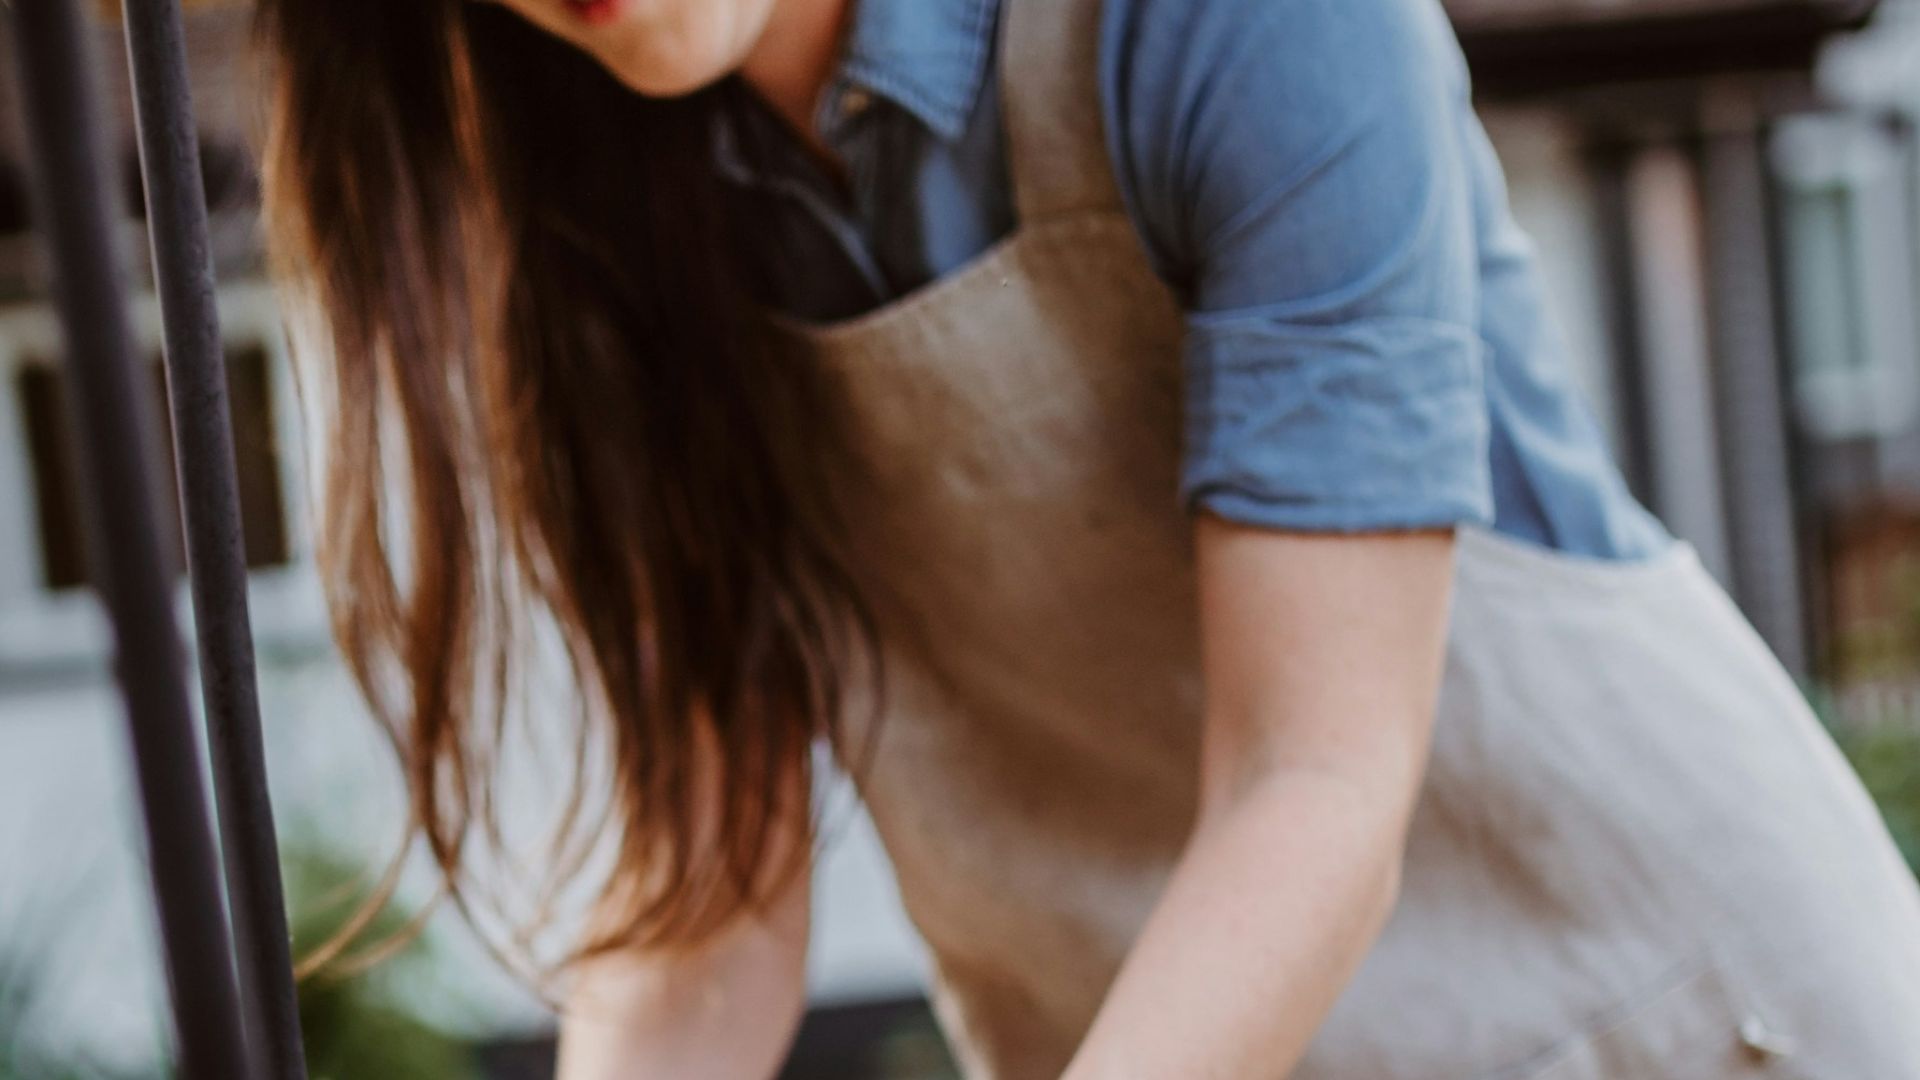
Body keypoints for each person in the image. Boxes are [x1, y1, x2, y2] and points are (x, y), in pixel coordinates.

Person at [256, 0, 1920, 1075]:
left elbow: (1316, 787)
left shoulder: (1238, 23)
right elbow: (702, 919)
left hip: (1669, 1014)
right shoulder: (570, 196)